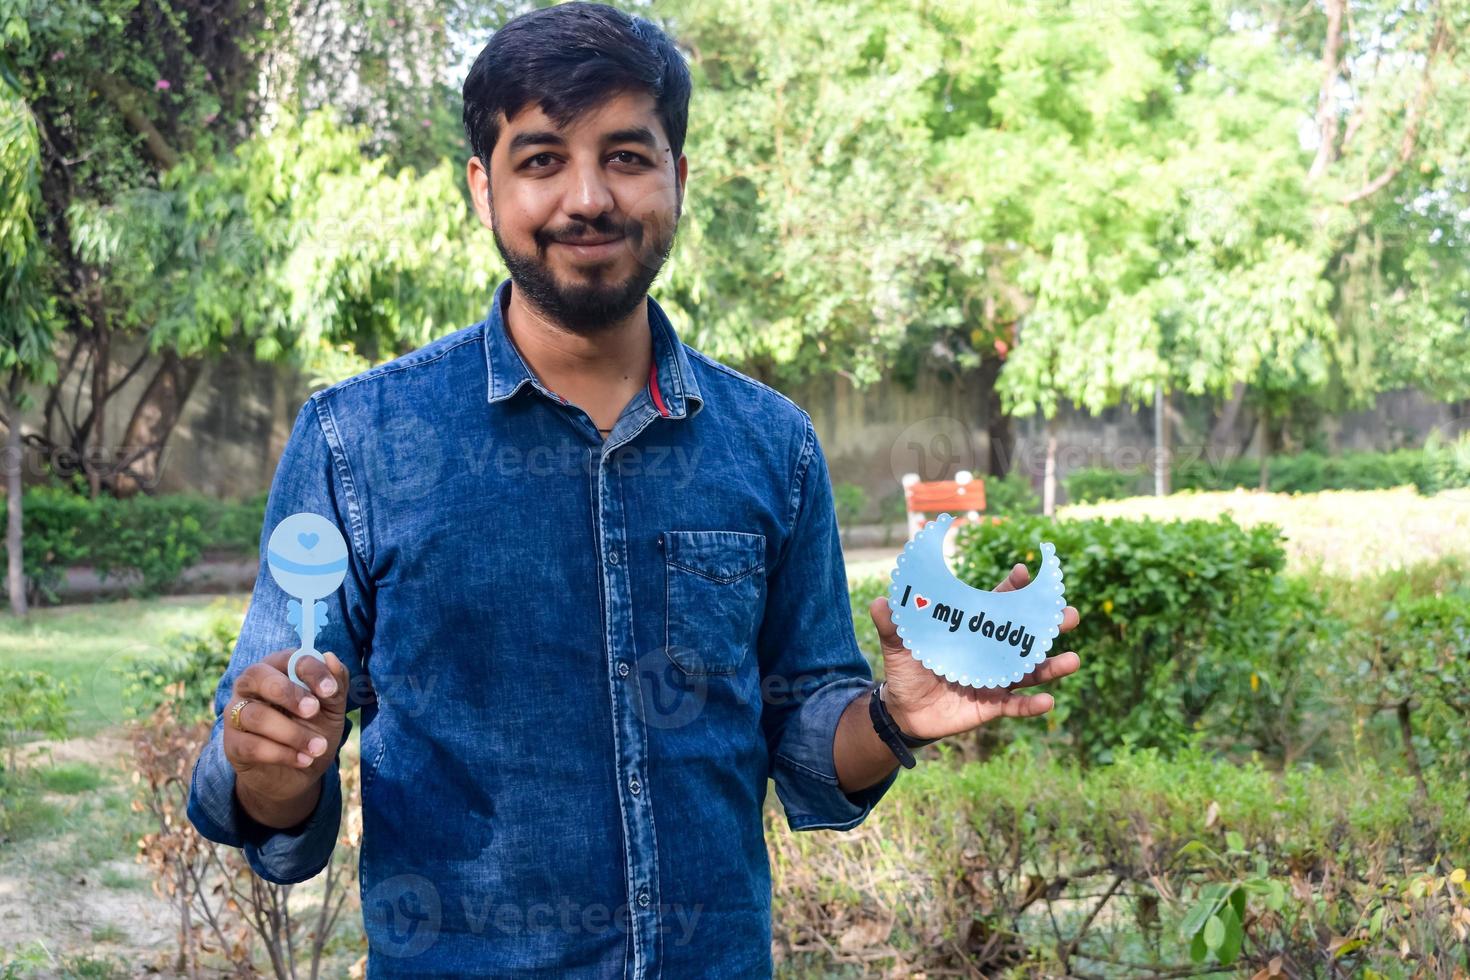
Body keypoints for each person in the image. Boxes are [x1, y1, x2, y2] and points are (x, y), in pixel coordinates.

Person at [186, 3, 1081, 976]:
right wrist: (273, 768)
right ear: (481, 188)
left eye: (625, 155)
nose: (587, 197)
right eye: (539, 161)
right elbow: (261, 774)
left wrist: (894, 718)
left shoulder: (770, 446)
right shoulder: (358, 444)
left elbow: (811, 745)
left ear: (679, 177)